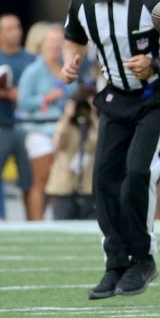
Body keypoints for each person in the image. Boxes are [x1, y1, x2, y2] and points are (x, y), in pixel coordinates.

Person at [61, 0, 160, 299]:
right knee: (102, 180)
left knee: (137, 172)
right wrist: (70, 64)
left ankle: (143, 259)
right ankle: (116, 261)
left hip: (156, 96)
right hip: (114, 95)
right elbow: (74, 38)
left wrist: (158, 64)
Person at [17, 24, 77, 220]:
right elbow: (23, 101)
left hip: (62, 131)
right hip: (39, 129)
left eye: (59, 42)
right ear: (42, 45)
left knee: (59, 180)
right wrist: (46, 97)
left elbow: (73, 95)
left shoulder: (66, 69)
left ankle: (56, 220)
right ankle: (37, 221)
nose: (55, 46)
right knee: (41, 180)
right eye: (51, 42)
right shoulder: (33, 71)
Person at [0, 14, 36, 220]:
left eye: (17, 27)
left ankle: (33, 225)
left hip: (28, 126)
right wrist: (7, 92)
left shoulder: (31, 59)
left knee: (30, 181)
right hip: (0, 124)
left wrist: (23, 95)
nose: (15, 32)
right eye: (8, 28)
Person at [46, 90, 97, 220]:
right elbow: (56, 144)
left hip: (87, 187)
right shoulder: (67, 125)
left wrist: (93, 116)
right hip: (65, 186)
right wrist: (67, 117)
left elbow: (101, 141)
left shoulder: (96, 126)